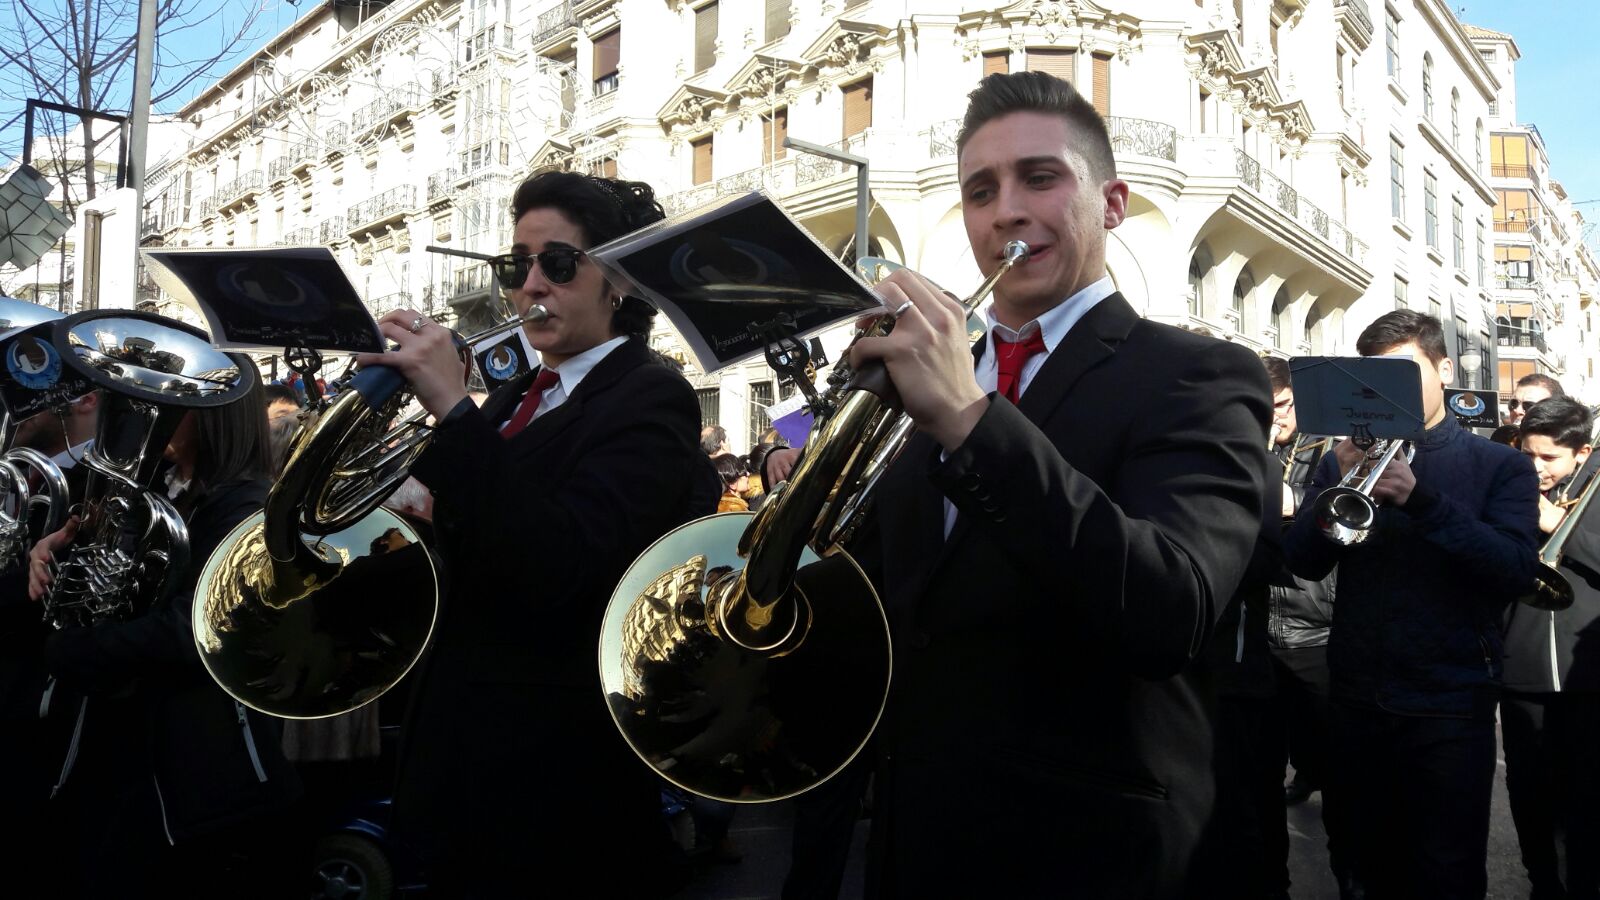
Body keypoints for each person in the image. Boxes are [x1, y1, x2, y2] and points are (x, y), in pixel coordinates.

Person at [843, 71, 1271, 897]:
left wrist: (969, 419)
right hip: (919, 833)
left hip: (1089, 849)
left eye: (1040, 178)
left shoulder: (1201, 373)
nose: (1005, 211)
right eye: (980, 191)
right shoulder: (932, 374)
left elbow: (1170, 610)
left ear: (1111, 205)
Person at [361, 170, 712, 897]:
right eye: (516, 265)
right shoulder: (513, 396)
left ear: (617, 280)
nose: (529, 287)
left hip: (555, 782)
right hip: (460, 753)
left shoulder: (651, 396)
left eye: (557, 263)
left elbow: (564, 565)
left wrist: (453, 411)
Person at [1284, 310, 1539, 900]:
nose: (1385, 390)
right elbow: (1303, 562)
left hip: (1449, 703)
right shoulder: (1340, 456)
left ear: (1444, 370)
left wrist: (1422, 501)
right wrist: (1336, 483)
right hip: (1356, 697)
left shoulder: (1499, 464)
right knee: (1356, 859)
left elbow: (1514, 568)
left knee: (1444, 869)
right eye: (1373, 376)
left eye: (1402, 372)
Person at [26, 382, 302, 898]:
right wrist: (56, 556)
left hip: (189, 760)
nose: (155, 415)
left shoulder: (246, 504)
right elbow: (113, 577)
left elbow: (196, 626)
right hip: (124, 735)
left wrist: (77, 651)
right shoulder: (158, 487)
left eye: (174, 405)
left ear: (214, 415)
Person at [1502, 396, 1600, 900]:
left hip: (1589, 676)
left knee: (1587, 791)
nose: (1536, 467)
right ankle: (1541, 881)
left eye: (1549, 458)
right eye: (1528, 455)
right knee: (1528, 790)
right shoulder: (1510, 485)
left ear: (1581, 453)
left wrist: (1560, 526)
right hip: (1521, 663)